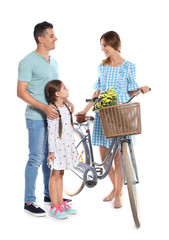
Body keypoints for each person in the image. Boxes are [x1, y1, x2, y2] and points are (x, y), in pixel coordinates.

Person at [76, 31, 150, 208]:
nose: (103, 49)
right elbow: (97, 93)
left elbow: (130, 91)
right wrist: (84, 109)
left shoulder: (129, 66)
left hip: (121, 114)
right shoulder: (102, 67)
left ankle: (118, 195)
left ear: (114, 44)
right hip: (104, 114)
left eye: (105, 45)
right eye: (101, 46)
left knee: (117, 156)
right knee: (104, 156)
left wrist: (140, 89)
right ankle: (117, 187)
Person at [17, 21, 73, 216]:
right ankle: (29, 201)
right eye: (51, 35)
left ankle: (50, 196)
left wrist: (67, 102)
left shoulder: (54, 61)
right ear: (40, 38)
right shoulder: (27, 61)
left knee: (54, 157)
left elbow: (54, 92)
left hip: (55, 120)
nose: (55, 38)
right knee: (36, 158)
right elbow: (20, 92)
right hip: (36, 118)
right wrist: (43, 107)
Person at [45, 80, 78, 219]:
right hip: (57, 148)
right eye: (64, 88)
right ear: (57, 93)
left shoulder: (67, 107)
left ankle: (60, 203)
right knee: (55, 174)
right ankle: (54, 206)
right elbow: (51, 132)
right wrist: (52, 151)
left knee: (61, 174)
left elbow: (70, 129)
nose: (67, 89)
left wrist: (73, 147)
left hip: (66, 146)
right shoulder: (53, 110)